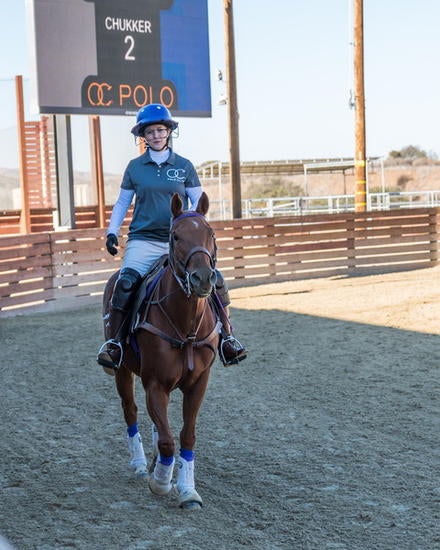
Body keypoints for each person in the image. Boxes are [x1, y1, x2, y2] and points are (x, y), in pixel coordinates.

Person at [97, 103, 247, 372]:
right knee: (126, 283)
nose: (156, 135)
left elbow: (198, 202)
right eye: (151, 131)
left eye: (161, 130)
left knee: (215, 280)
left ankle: (227, 337)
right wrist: (111, 231)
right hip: (143, 240)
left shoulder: (184, 166)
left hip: (180, 244)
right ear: (143, 135)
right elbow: (122, 203)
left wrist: (198, 235)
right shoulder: (134, 167)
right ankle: (115, 344)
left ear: (169, 132)